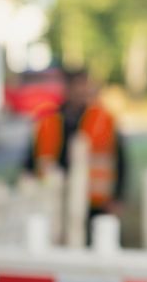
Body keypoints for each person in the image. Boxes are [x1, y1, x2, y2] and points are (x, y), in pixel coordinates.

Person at [25, 67, 126, 222]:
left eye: (84, 86)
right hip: (54, 198)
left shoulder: (103, 119)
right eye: (77, 86)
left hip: (95, 202)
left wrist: (117, 196)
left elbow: (120, 159)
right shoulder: (48, 121)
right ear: (67, 88)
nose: (81, 91)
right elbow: (32, 160)